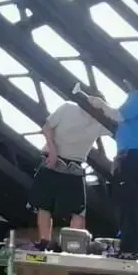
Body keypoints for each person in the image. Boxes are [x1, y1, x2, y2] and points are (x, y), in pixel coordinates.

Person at [27, 90, 115, 250]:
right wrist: (53, 150)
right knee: (44, 205)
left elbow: (118, 124)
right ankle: (44, 242)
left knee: (78, 209)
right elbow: (47, 127)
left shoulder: (100, 123)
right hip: (51, 159)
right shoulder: (68, 108)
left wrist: (105, 107)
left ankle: (74, 245)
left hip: (75, 166)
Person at [80, 80, 138, 260]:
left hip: (134, 159)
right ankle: (135, 246)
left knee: (127, 203)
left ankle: (130, 248)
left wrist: (101, 105)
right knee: (134, 203)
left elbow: (119, 115)